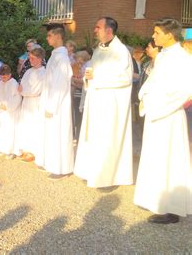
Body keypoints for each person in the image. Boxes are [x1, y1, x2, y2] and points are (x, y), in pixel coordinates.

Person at [134, 18, 192, 224]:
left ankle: (172, 208)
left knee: (169, 160)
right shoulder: (165, 55)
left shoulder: (182, 58)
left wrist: (158, 106)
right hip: (156, 114)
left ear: (169, 34)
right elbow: (153, 83)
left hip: (168, 116)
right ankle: (156, 199)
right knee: (156, 159)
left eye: (157, 32)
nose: (153, 36)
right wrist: (145, 97)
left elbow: (185, 89)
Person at [74, 17, 133, 188]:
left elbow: (125, 78)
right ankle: (91, 171)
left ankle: (108, 178)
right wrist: (88, 77)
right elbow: (92, 72)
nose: (94, 30)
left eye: (97, 27)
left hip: (110, 104)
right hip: (95, 101)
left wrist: (96, 77)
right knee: (92, 137)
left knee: (107, 139)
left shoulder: (121, 52)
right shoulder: (99, 50)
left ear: (109, 31)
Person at [40, 24, 74, 179]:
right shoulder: (55, 55)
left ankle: (62, 168)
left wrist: (52, 106)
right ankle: (52, 163)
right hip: (51, 101)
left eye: (49, 36)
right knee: (52, 134)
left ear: (58, 36)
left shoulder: (62, 58)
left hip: (58, 105)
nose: (47, 38)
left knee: (59, 133)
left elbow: (59, 84)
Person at [18, 47, 46, 162]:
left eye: (33, 58)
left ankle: (34, 151)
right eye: (30, 58)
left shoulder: (44, 72)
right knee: (26, 124)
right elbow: (21, 85)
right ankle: (26, 148)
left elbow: (36, 89)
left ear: (40, 59)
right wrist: (23, 90)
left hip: (36, 103)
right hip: (26, 102)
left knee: (34, 125)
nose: (31, 61)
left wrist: (24, 91)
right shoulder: (28, 71)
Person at [0, 64, 22, 159]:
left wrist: (7, 106)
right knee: (3, 130)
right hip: (3, 112)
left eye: (5, 76)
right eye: (1, 76)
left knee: (11, 130)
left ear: (10, 75)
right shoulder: (0, 83)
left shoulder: (14, 83)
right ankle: (3, 148)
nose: (3, 78)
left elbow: (17, 97)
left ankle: (11, 150)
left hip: (12, 112)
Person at [71, 50, 91, 141]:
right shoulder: (81, 66)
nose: (78, 62)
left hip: (82, 93)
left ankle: (80, 136)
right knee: (77, 115)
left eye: (79, 59)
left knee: (80, 116)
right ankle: (78, 135)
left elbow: (84, 81)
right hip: (78, 91)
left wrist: (74, 81)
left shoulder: (88, 66)